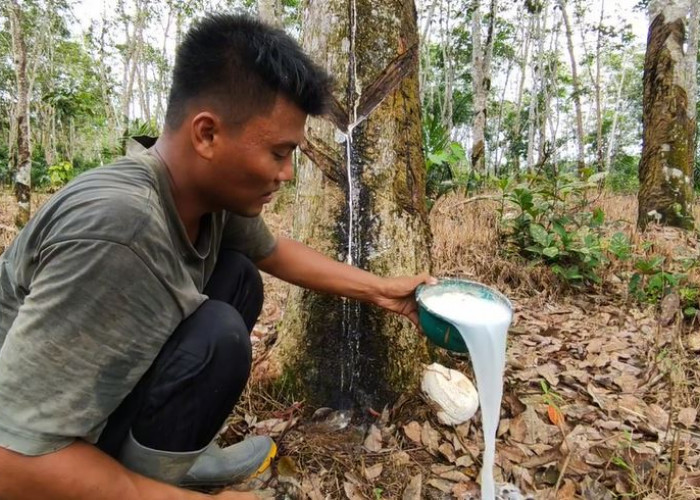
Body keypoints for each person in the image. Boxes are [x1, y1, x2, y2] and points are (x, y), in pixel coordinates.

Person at [0, 13, 434, 500]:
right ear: (206, 134)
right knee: (218, 337)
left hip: (75, 416)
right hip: (29, 448)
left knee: (238, 275)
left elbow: (274, 252)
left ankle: (173, 459)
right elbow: (11, 465)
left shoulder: (202, 194)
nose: (287, 174)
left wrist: (382, 291)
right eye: (278, 153)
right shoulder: (122, 231)